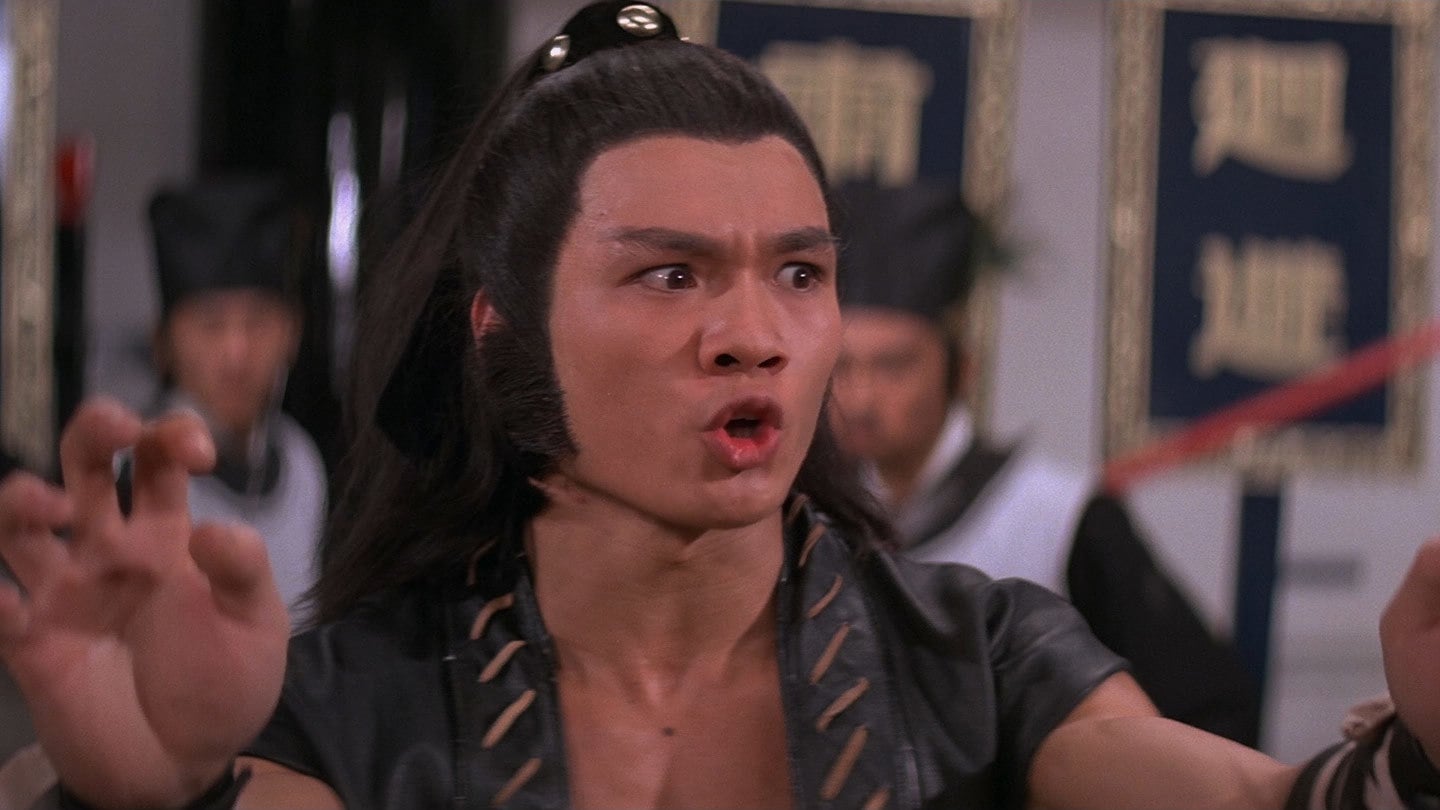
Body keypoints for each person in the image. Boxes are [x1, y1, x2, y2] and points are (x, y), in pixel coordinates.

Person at [0, 3, 1435, 808]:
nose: (754, 336)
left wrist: (1419, 758)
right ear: (501, 329)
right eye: (670, 274)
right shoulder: (362, 705)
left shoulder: (976, 664)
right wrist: (153, 792)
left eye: (799, 274)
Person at [827, 180, 1262, 746]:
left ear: (962, 368)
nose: (861, 399)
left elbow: (1207, 708)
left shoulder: (1056, 515)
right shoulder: (821, 514)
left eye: (894, 366)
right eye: (842, 367)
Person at [139, 177, 327, 626]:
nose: (236, 354)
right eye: (211, 324)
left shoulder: (303, 463)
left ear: (293, 332)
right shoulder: (137, 473)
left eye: (258, 321)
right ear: (163, 342)